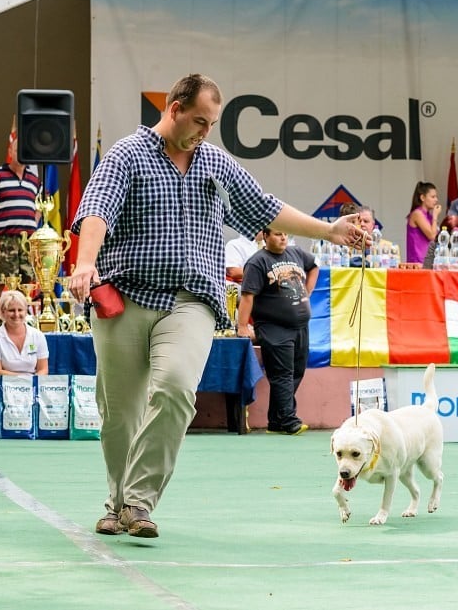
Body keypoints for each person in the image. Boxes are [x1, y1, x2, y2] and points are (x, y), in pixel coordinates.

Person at [68, 73, 368, 539]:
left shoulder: (216, 163)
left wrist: (327, 230)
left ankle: (138, 504)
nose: (206, 132)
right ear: (173, 109)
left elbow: (265, 207)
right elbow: (97, 209)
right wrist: (85, 263)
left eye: (212, 124)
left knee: (173, 391)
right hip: (124, 297)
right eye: (200, 121)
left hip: (192, 301)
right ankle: (118, 500)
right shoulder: (127, 154)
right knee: (119, 412)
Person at [236, 227, 318, 435]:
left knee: (296, 371)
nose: (283, 238)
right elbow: (247, 296)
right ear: (265, 236)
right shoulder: (257, 261)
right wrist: (243, 325)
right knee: (282, 374)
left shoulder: (296, 252)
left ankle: (276, 421)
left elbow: (313, 266)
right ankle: (289, 420)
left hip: (300, 326)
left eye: (285, 235)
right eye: (278, 234)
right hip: (273, 326)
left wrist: (308, 290)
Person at [0, 137, 40, 322]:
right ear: (11, 152)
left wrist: (32, 224)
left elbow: (39, 205)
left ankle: (22, 321)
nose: (21, 154)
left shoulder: (34, 179)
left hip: (27, 241)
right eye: (17, 150)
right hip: (5, 239)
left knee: (27, 283)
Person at [0, 290, 49, 375]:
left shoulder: (38, 335)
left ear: (26, 311)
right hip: (6, 385)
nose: (16, 314)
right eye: (11, 310)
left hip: (32, 385)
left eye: (20, 310)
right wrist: (23, 379)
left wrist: (31, 382)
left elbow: (43, 370)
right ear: (3, 312)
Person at [405, 181, 441, 268]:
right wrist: (435, 216)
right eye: (432, 197)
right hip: (417, 262)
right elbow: (431, 236)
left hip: (428, 261)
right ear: (422, 197)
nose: (436, 200)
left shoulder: (428, 215)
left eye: (436, 197)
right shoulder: (418, 214)